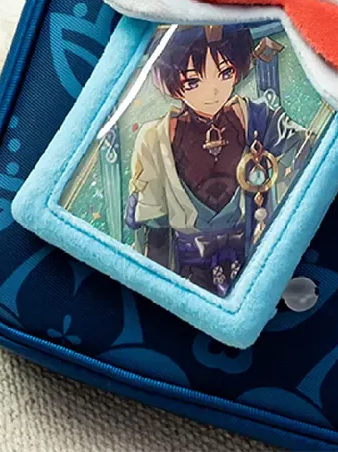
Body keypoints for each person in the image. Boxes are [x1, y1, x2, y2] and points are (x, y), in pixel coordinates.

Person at [124, 24, 307, 296]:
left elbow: (306, 148)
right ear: (173, 83)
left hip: (255, 261)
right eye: (193, 81)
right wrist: (156, 292)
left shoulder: (257, 118)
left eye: (225, 73)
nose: (213, 92)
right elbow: (156, 231)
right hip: (189, 274)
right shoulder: (154, 139)